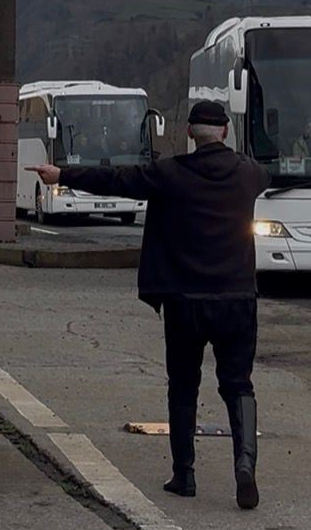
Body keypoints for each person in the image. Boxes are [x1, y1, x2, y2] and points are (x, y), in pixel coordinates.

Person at [27, 99, 270, 509]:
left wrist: (62, 173)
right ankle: (244, 466)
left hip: (183, 300)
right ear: (226, 132)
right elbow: (273, 173)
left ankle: (185, 475)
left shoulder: (169, 174)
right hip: (237, 299)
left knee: (183, 386)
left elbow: (116, 180)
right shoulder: (251, 174)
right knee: (238, 385)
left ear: (190, 133)